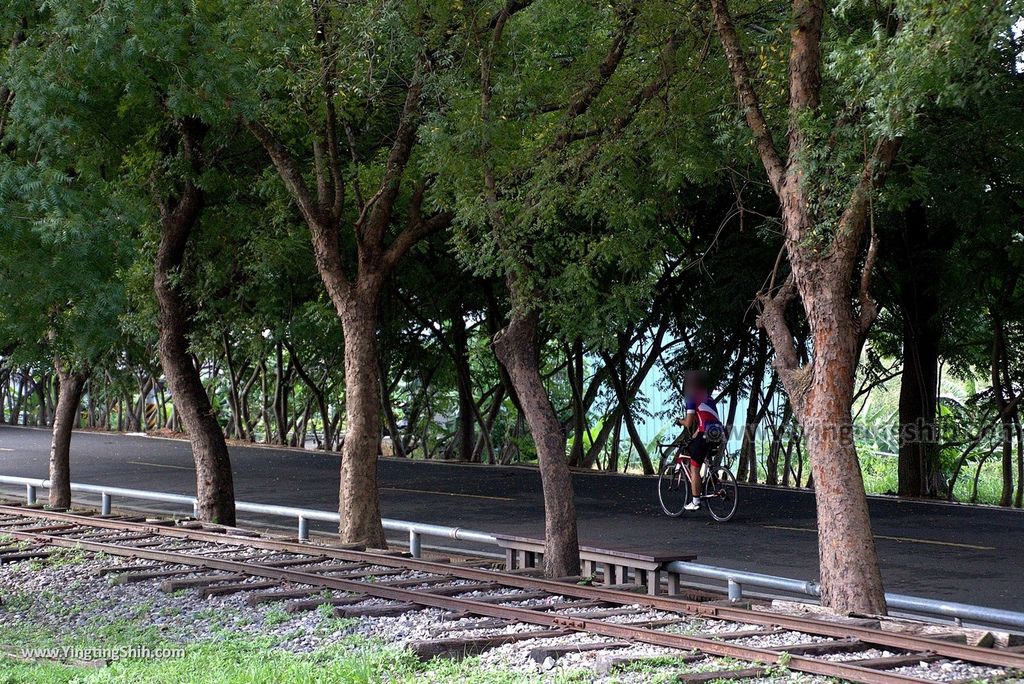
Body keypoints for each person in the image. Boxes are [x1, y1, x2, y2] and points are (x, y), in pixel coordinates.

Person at [675, 370, 724, 511]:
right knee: (702, 452)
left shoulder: (691, 398)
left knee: (694, 467)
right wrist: (695, 436)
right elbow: (706, 420)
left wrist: (680, 421)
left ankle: (695, 501)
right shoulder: (709, 399)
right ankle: (712, 479)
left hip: (706, 433)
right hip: (717, 432)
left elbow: (689, 422)